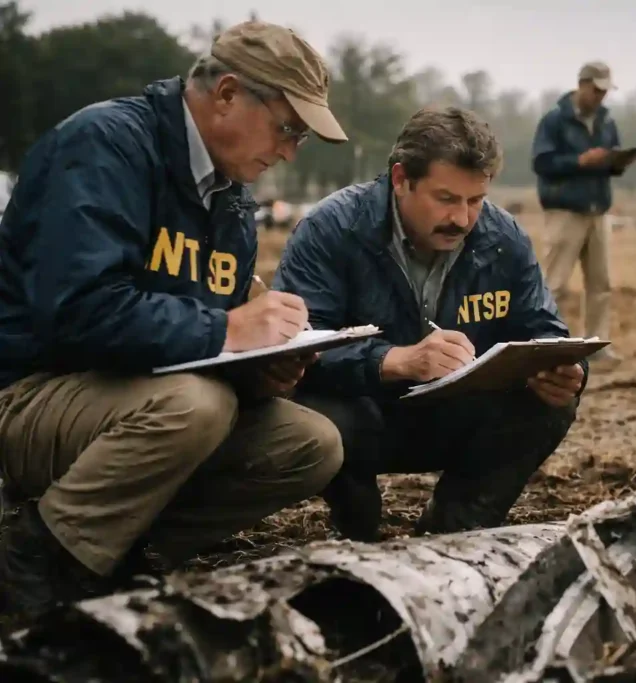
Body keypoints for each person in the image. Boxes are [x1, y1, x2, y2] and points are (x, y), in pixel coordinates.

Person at [0, 20, 348, 617]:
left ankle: (126, 550)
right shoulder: (106, 144)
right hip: (29, 392)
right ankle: (34, 556)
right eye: (288, 127)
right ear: (229, 94)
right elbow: (78, 313)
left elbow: (197, 344)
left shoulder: (232, 195)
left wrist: (256, 369)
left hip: (135, 400)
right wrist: (230, 332)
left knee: (312, 444)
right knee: (195, 406)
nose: (290, 150)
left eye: (302, 139)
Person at [274, 106, 586, 541]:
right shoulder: (332, 229)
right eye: (446, 199)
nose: (462, 218)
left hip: (459, 412)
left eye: (475, 201)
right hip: (364, 413)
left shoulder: (504, 237)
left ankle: (458, 522)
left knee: (549, 405)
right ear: (401, 179)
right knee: (319, 412)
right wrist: (395, 360)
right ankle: (356, 518)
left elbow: (544, 327)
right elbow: (296, 346)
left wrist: (566, 370)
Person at [530, 61, 636, 362]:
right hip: (565, 210)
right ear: (582, 84)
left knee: (601, 283)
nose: (601, 97)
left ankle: (597, 345)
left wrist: (616, 161)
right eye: (597, 90)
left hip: (598, 210)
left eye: (605, 91)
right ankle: (549, 344)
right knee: (556, 283)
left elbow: (610, 159)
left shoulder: (607, 120)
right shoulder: (554, 120)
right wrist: (580, 162)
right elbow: (541, 163)